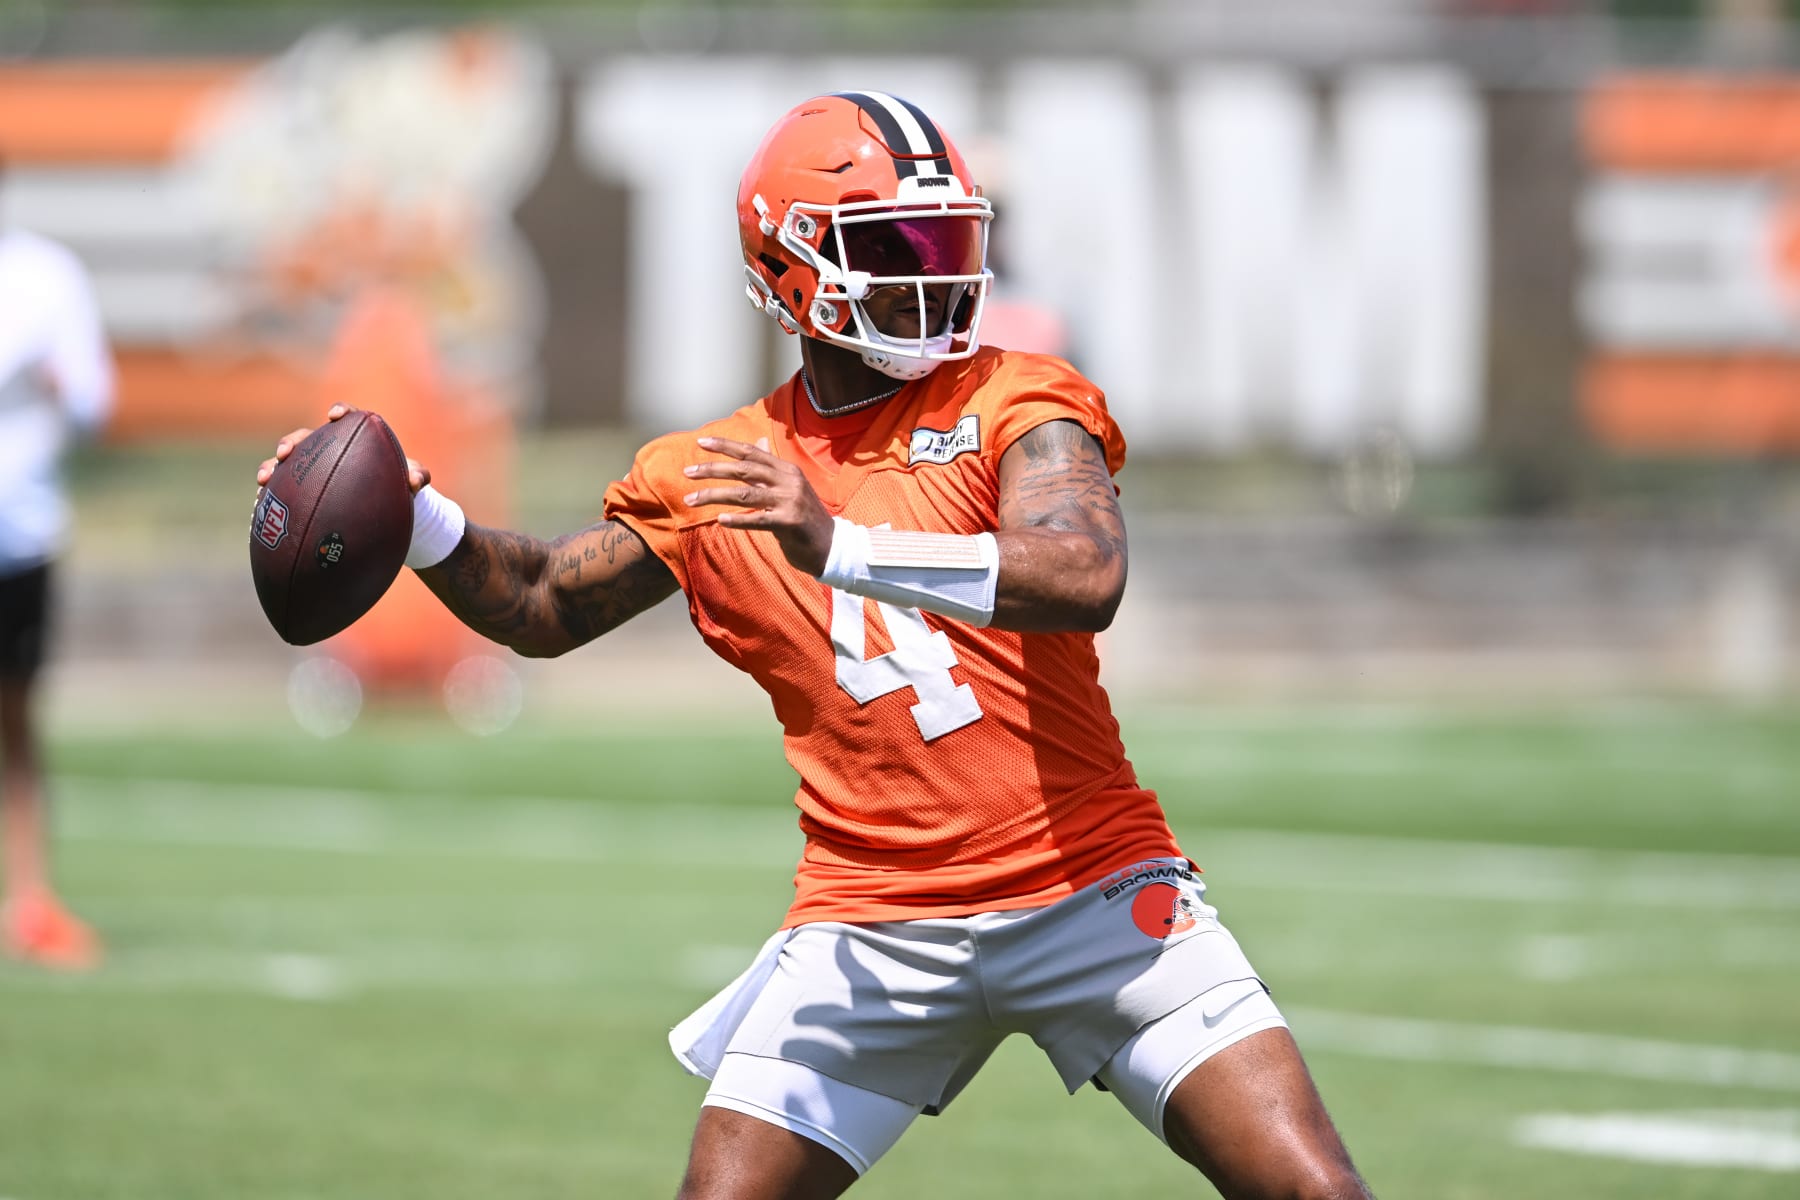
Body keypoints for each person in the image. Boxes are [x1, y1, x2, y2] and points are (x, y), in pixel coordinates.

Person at [258, 92, 1372, 1199]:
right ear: (791, 266)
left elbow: (1085, 572)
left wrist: (845, 546)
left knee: (1316, 1192)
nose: (933, 276)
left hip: (1092, 888)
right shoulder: (719, 472)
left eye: (946, 242)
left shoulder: (1017, 396)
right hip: (871, 922)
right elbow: (546, 600)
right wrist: (416, 517)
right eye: (895, 247)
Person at [0, 154, 115, 968]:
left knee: (15, 718)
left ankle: (31, 901)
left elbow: (94, 399)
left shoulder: (44, 277)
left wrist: (57, 382)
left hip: (20, 534)